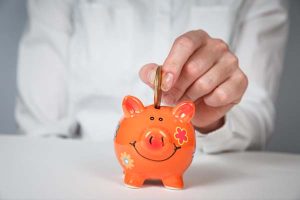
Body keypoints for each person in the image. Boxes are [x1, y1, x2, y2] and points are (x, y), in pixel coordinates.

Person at [16, 0, 289, 153]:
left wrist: (215, 120)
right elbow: (40, 129)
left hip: (206, 171)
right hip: (82, 167)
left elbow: (257, 114)